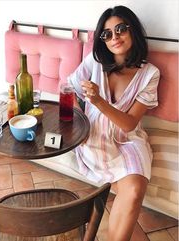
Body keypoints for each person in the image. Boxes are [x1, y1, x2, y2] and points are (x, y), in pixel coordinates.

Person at [68, 5, 160, 241]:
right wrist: (80, 119)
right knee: (132, 190)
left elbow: (129, 124)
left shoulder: (150, 73)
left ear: (133, 30)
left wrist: (98, 101)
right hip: (95, 136)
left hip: (127, 139)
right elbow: (69, 88)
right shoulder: (95, 62)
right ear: (103, 41)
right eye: (107, 34)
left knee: (135, 189)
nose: (114, 37)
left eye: (120, 29)